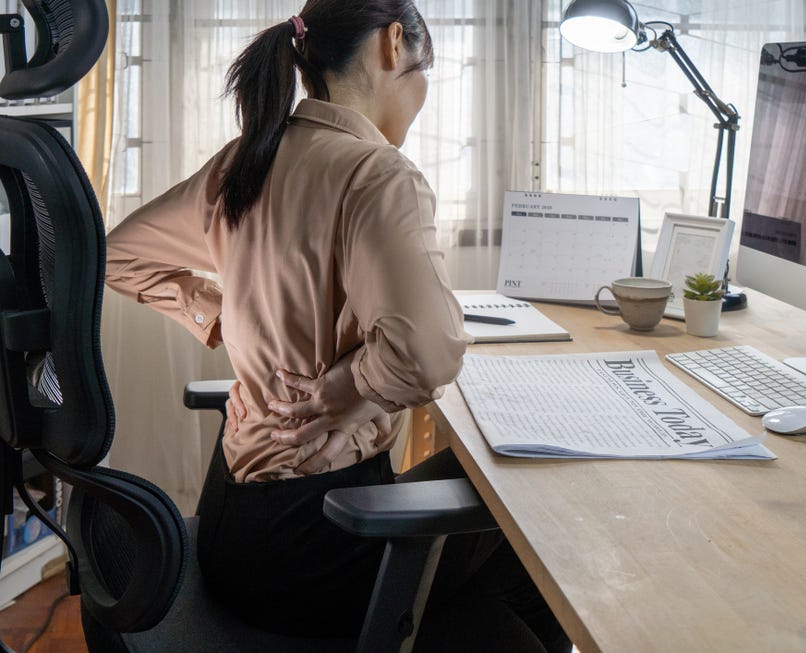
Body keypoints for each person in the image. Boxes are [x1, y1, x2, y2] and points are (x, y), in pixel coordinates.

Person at [104, 1, 571, 651]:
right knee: (533, 491)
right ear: (394, 44)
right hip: (320, 549)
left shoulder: (242, 161)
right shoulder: (377, 174)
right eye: (424, 69)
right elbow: (426, 355)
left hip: (228, 530)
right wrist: (334, 391)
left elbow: (118, 255)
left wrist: (222, 315)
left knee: (489, 501)